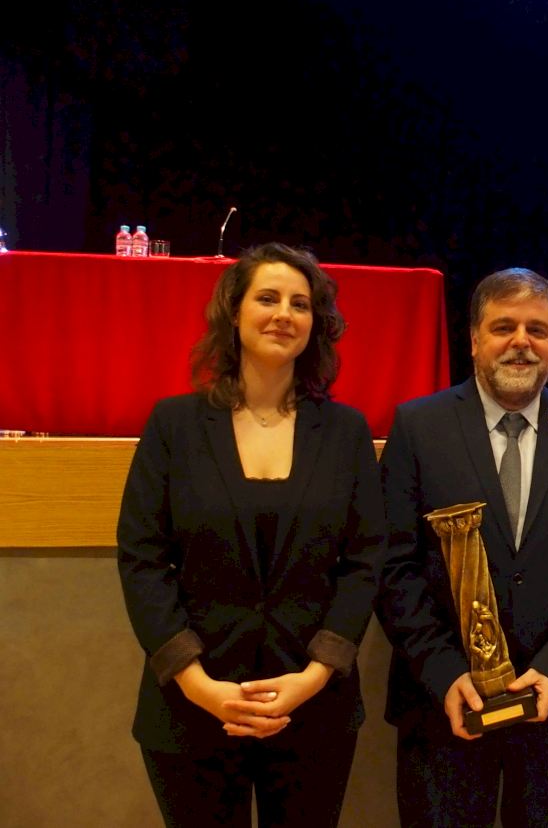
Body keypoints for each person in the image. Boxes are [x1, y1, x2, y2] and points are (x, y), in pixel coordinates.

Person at [116, 242, 384, 827]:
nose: (284, 314)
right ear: (234, 312)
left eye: (300, 304)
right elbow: (141, 559)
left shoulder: (346, 432)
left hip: (313, 707)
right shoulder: (173, 425)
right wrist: (198, 684)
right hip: (190, 707)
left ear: (315, 325)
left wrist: (315, 676)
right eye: (267, 298)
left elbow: (365, 561)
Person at [376, 267, 548, 827]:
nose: (522, 341)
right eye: (503, 327)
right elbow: (392, 565)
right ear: (474, 339)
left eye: (537, 330)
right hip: (443, 705)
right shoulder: (418, 427)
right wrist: (443, 672)